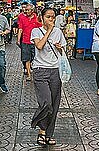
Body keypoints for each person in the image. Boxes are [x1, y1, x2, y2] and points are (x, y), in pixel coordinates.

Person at [30, 8, 67, 147]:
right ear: (42, 17)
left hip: (55, 71)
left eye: (53, 17)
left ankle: (47, 133)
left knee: (54, 104)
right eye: (48, 17)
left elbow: (63, 50)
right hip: (40, 70)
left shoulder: (59, 32)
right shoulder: (36, 31)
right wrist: (49, 31)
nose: (51, 19)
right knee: (46, 103)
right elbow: (39, 46)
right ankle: (39, 127)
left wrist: (59, 48)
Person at [17, 2, 42, 82]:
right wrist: (18, 39)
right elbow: (20, 29)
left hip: (35, 42)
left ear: (32, 10)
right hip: (25, 41)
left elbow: (41, 28)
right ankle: (29, 74)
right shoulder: (22, 18)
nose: (26, 11)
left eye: (28, 10)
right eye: (25, 10)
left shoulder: (37, 17)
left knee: (35, 58)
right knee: (26, 58)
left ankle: (35, 72)